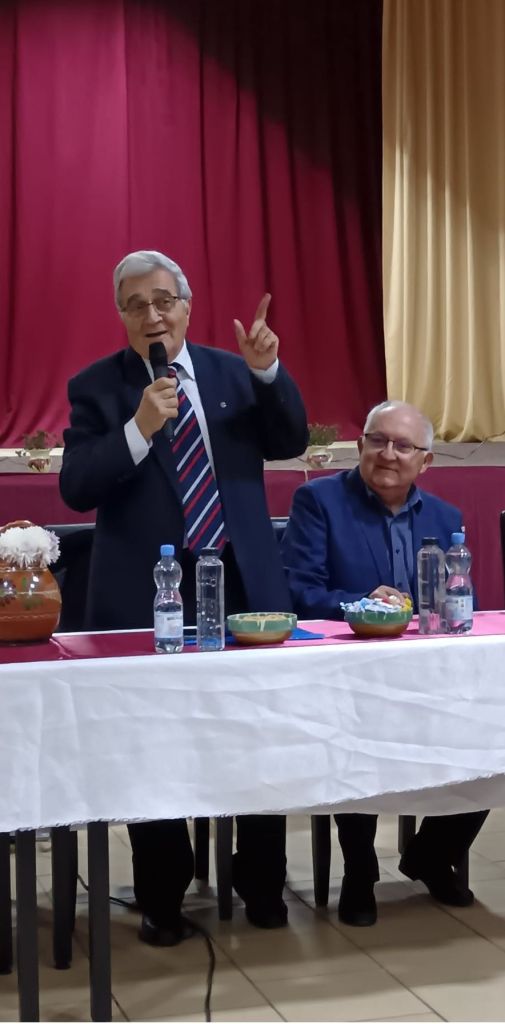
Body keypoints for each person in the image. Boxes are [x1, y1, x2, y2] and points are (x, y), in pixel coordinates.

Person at [60, 249, 308, 945]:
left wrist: (267, 371)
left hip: (243, 584)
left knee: (257, 733)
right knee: (154, 743)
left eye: (163, 300)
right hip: (150, 595)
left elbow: (289, 439)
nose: (152, 315)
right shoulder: (98, 387)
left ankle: (261, 882)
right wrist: (137, 427)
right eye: (136, 304)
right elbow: (76, 487)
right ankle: (162, 893)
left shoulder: (233, 373)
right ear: (121, 316)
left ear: (187, 307)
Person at [281, 400, 488, 927]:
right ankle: (360, 869)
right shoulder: (318, 501)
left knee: (491, 732)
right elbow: (300, 593)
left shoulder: (445, 518)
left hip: (428, 675)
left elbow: (462, 598)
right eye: (378, 441)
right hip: (349, 674)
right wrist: (361, 603)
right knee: (359, 740)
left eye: (403, 446)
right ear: (360, 446)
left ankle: (431, 855)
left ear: (426, 461)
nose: (389, 454)